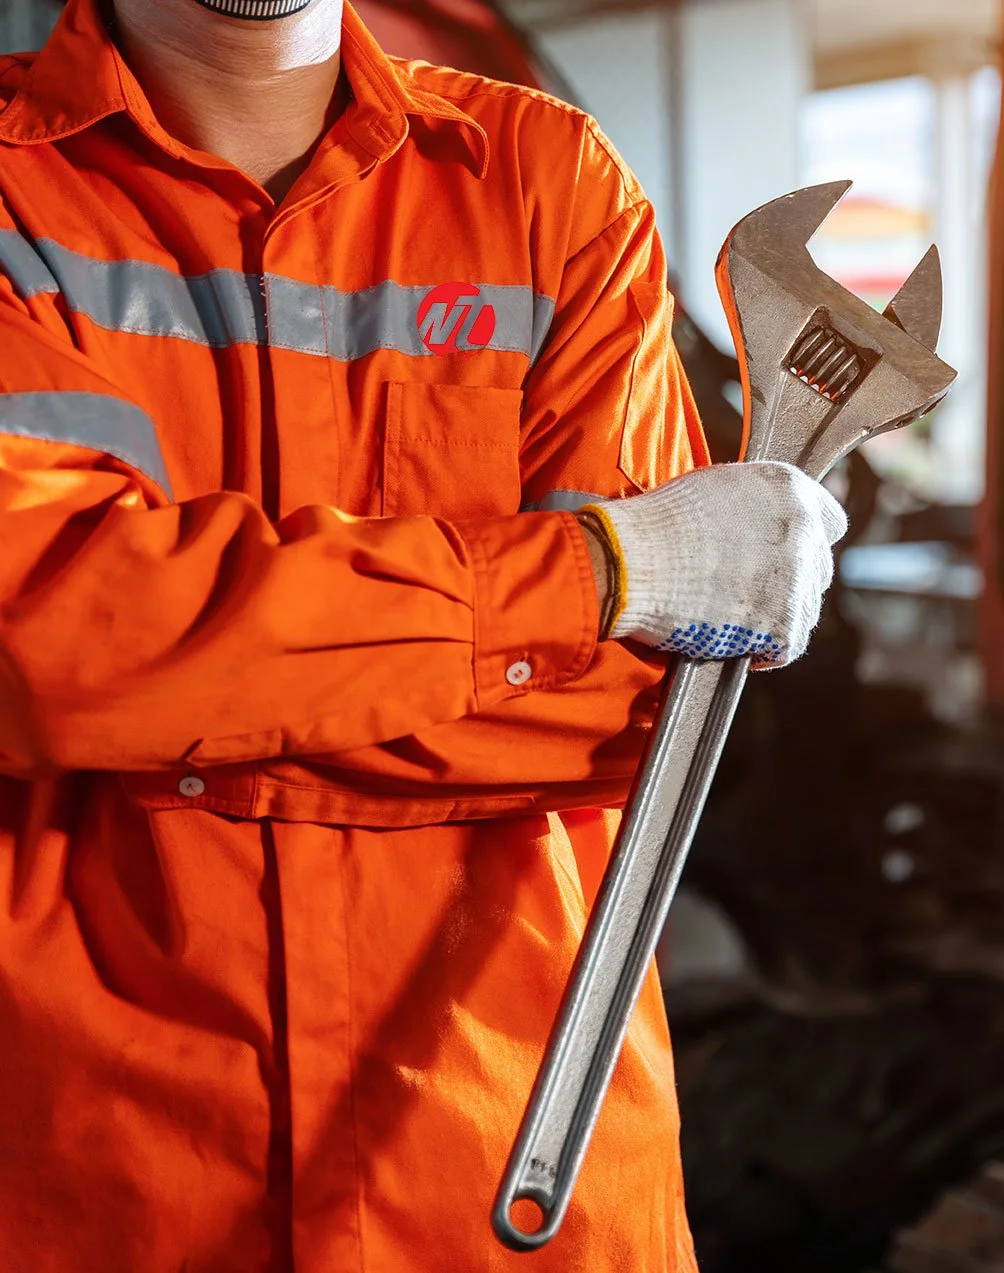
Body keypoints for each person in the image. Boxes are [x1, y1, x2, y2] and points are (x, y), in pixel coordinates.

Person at [0, 0, 847, 1266]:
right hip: (92, 1190)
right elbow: (37, 643)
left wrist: (164, 701)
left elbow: (637, 711)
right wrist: (599, 572)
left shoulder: (550, 185)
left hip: (513, 1175)